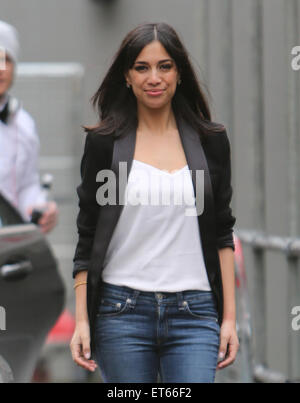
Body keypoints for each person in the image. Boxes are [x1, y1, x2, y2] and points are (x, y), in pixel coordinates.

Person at [70, 22, 239, 383]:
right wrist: (81, 320)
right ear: (127, 77)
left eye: (165, 66)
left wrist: (229, 320)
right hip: (121, 312)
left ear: (179, 73)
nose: (154, 78)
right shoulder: (106, 145)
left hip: (195, 313)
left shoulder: (210, 142)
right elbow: (87, 236)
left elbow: (223, 232)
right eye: (142, 67)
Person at [0, 20, 58, 233]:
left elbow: (26, 186)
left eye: (6, 59)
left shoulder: (24, 123)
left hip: (10, 247)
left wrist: (42, 208)